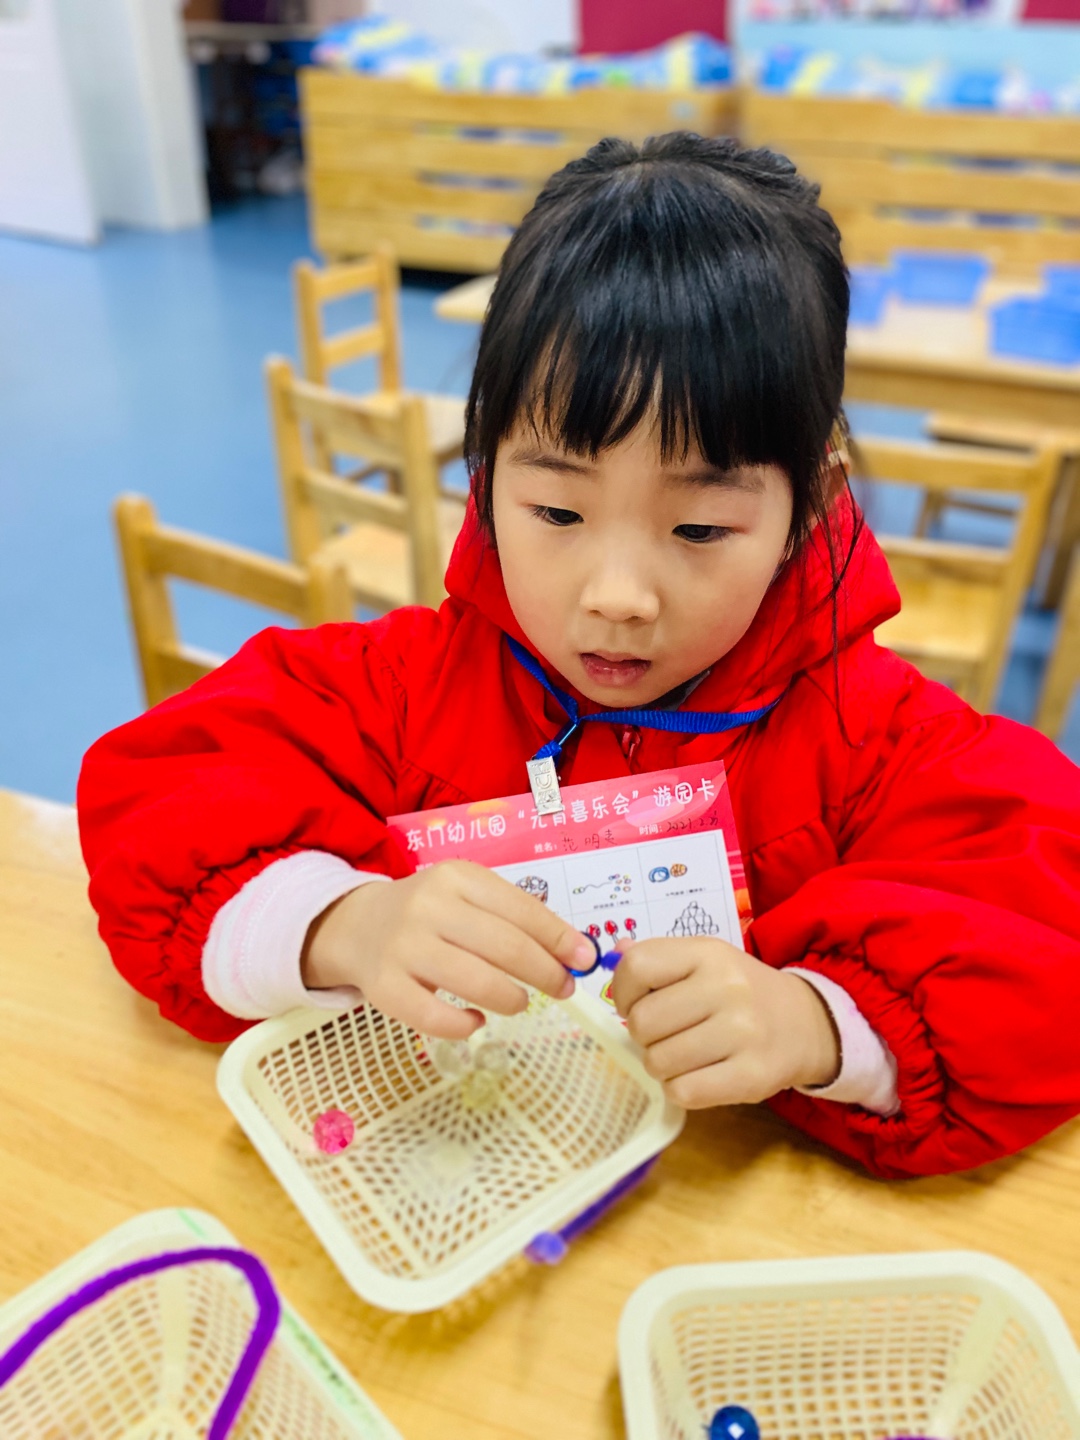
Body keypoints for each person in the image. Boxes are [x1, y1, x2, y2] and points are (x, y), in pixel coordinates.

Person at [78, 134, 1080, 1180]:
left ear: (810, 510)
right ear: (485, 478)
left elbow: (1050, 930)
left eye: (700, 529)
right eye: (557, 511)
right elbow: (161, 796)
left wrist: (819, 1023)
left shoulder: (872, 739)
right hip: (454, 1181)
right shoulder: (407, 687)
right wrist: (345, 922)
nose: (618, 596)